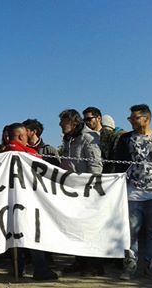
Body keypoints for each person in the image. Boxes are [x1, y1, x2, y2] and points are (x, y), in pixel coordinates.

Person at [115, 104, 152, 281]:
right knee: (131, 233)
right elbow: (118, 165)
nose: (131, 120)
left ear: (147, 118)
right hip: (132, 195)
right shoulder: (125, 139)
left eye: (135, 117)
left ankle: (150, 267)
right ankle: (129, 267)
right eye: (130, 118)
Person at [3, 123, 58, 280]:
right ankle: (40, 269)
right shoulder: (30, 153)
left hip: (7, 201)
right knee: (33, 234)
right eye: (26, 136)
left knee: (14, 234)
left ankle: (17, 269)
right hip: (28, 200)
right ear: (21, 136)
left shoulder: (1, 153)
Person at [59, 109, 103, 276]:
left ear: (73, 123)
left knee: (89, 229)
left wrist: (91, 189)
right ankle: (80, 261)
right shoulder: (68, 139)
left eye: (63, 122)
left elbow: (95, 165)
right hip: (72, 190)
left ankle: (95, 265)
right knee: (76, 228)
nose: (60, 125)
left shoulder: (89, 137)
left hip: (86, 190)